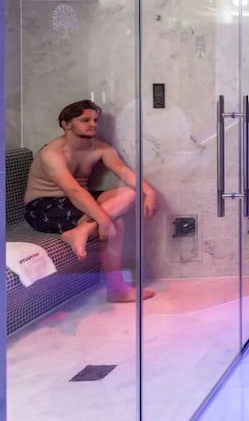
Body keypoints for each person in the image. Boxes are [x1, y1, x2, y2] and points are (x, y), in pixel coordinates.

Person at [22, 99, 158, 302]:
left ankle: (82, 230)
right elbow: (73, 190)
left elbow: (124, 172)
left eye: (95, 120)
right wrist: (102, 220)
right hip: (43, 207)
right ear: (66, 124)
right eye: (85, 120)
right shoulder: (52, 153)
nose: (93, 124)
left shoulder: (100, 148)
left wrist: (150, 192)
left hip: (76, 201)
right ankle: (117, 289)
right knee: (115, 221)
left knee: (129, 194)